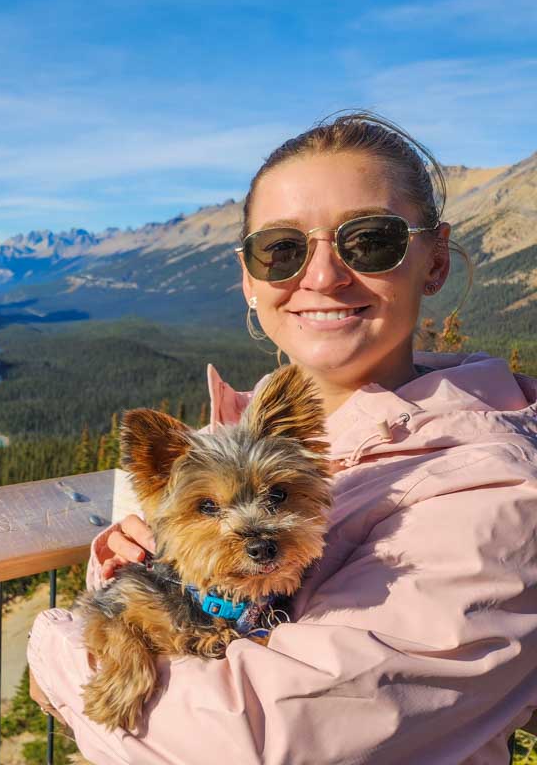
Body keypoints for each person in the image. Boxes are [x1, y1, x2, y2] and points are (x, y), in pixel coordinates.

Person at [26, 111, 537, 764]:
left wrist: (57, 651)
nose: (321, 277)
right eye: (282, 250)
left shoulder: (493, 493)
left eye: (371, 241)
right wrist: (140, 562)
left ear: (434, 260)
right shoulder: (245, 434)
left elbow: (252, 745)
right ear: (248, 276)